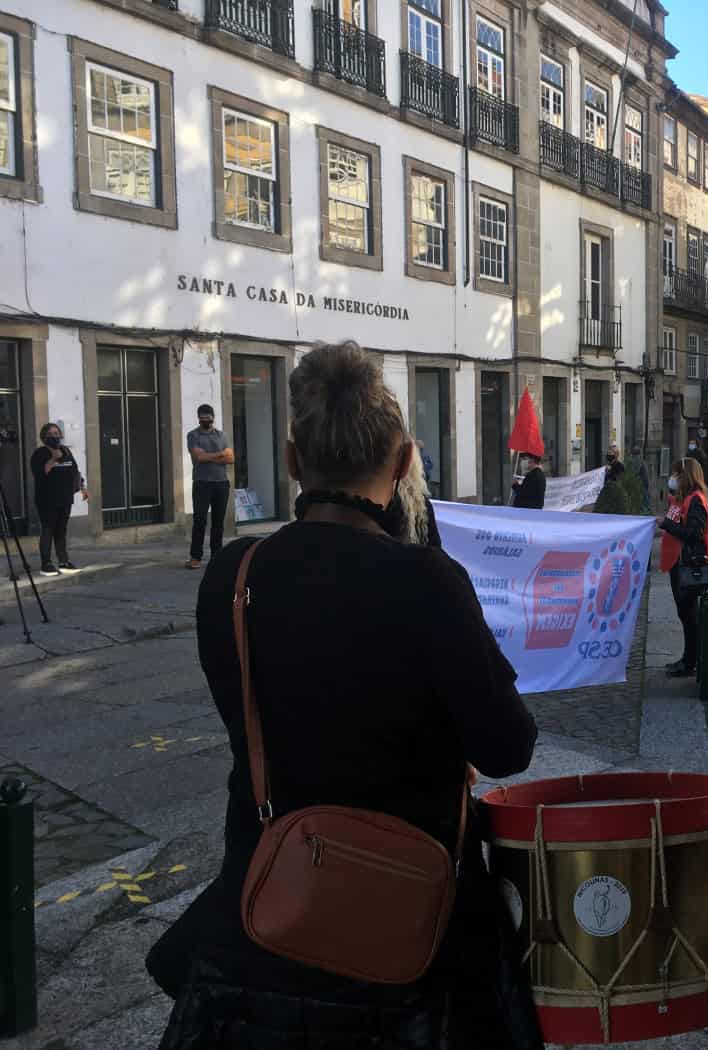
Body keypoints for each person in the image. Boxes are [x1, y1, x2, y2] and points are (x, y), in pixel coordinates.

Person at [147, 342, 540, 1050]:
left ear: (294, 461)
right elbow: (508, 746)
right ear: (403, 461)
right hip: (411, 927)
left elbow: (258, 711)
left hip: (268, 908)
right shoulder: (429, 581)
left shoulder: (234, 577)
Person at [658, 457, 708, 679]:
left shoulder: (696, 500)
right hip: (678, 564)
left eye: (677, 475)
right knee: (685, 615)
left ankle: (691, 663)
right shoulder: (684, 499)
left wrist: (667, 524)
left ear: (686, 476)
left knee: (689, 616)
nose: (673, 479)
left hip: (690, 565)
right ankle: (688, 659)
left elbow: (693, 534)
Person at [29, 422, 87, 576]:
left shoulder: (65, 450)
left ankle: (64, 562)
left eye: (57, 433)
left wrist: (82, 487)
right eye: (52, 434)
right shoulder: (39, 454)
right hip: (47, 499)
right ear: (44, 437)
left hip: (65, 497)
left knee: (61, 531)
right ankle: (46, 564)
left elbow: (74, 470)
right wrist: (53, 459)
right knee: (48, 529)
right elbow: (40, 474)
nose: (55, 436)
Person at [187, 404, 234, 571]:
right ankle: (195, 557)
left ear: (213, 417)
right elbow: (198, 457)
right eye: (204, 418)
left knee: (218, 522)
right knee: (199, 520)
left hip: (221, 483)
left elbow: (230, 458)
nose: (207, 420)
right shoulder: (193, 435)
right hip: (202, 483)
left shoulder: (221, 435)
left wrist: (209, 456)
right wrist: (219, 454)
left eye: (209, 418)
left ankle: (216, 556)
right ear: (199, 418)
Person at [629, 446, 652, 515]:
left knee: (644, 503)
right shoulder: (640, 460)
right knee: (645, 503)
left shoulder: (636, 460)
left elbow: (635, 472)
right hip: (642, 484)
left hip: (640, 485)